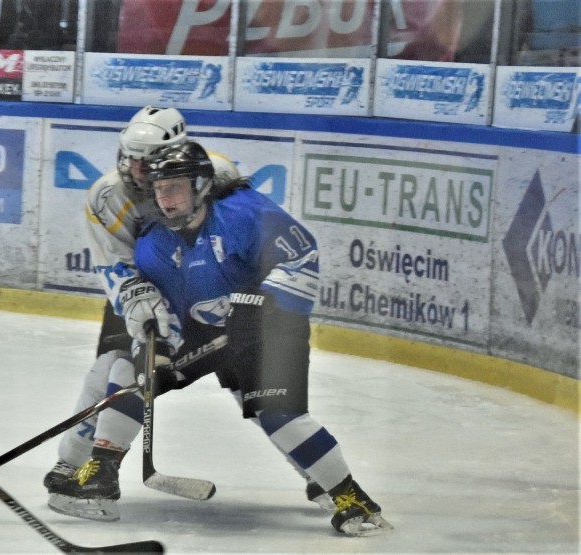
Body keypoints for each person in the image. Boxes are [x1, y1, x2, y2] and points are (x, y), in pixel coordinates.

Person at [48, 142, 393, 537]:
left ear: (201, 186)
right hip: (205, 329)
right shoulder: (154, 244)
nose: (166, 199)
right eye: (159, 189)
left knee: (278, 414)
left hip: (272, 327)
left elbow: (302, 255)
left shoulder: (245, 214)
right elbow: (163, 309)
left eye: (175, 187)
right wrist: (157, 343)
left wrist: (264, 303)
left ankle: (350, 498)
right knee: (133, 369)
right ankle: (100, 474)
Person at [43, 105, 243, 499]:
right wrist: (139, 301)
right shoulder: (106, 196)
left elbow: (239, 234)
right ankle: (74, 463)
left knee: (249, 375)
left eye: (147, 160)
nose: (136, 168)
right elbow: (114, 264)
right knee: (112, 371)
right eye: (131, 157)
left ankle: (320, 474)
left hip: (205, 291)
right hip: (142, 292)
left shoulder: (218, 175)